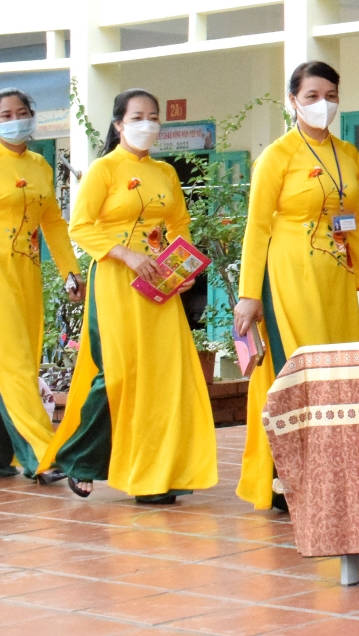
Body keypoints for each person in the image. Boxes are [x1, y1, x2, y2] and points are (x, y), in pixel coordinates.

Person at [40, 89, 217, 503]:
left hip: (160, 285)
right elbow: (80, 227)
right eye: (138, 117)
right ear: (119, 124)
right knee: (119, 374)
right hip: (116, 283)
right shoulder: (104, 169)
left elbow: (179, 226)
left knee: (165, 376)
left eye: (153, 116)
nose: (147, 124)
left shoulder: (165, 172)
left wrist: (185, 272)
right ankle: (81, 459)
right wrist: (127, 255)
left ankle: (158, 475)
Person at [233, 61, 359, 511]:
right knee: (297, 372)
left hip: (336, 276)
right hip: (289, 273)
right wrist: (249, 294)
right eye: (313, 96)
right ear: (293, 101)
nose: (324, 104)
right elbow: (257, 227)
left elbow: (356, 222)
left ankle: (329, 473)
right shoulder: (277, 156)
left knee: (337, 373)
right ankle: (287, 477)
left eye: (331, 96)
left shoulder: (349, 155)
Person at [0, 88, 82, 483]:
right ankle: (42, 455)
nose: (15, 120)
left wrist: (70, 271)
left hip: (27, 271)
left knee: (23, 360)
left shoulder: (39, 165)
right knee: (14, 363)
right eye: (5, 115)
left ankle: (3, 455)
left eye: (21, 112)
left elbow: (53, 223)